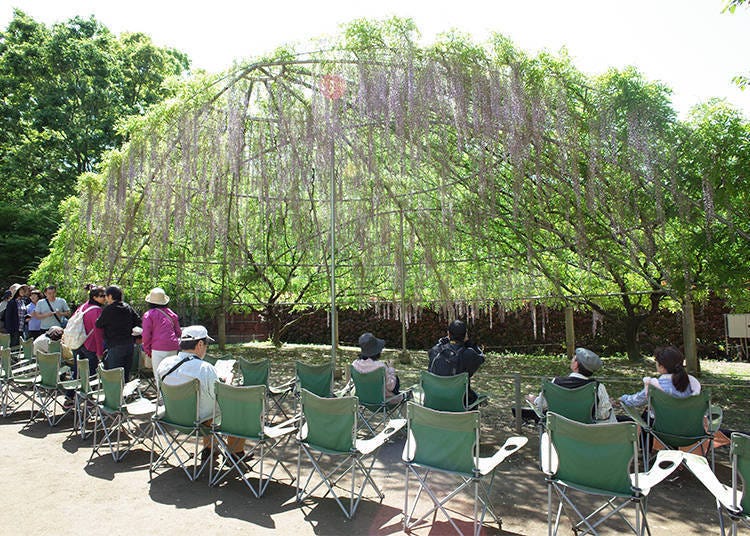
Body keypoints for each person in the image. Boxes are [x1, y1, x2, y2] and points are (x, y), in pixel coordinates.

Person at [156, 325, 244, 460]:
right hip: (197, 421)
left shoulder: (165, 364)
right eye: (206, 345)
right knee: (236, 407)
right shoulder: (204, 368)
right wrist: (227, 382)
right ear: (200, 344)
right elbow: (219, 396)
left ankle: (209, 450)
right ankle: (236, 454)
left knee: (205, 406)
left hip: (173, 417)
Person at [526, 347, 616, 423]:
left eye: (573, 358)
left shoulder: (556, 383)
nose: (571, 360)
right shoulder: (598, 387)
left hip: (559, 432)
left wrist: (534, 400)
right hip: (586, 433)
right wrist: (608, 405)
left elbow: (542, 405)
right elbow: (604, 415)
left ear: (576, 365)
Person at [619, 346, 701, 408]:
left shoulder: (655, 385)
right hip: (688, 426)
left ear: (661, 366)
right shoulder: (692, 383)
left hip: (661, 427)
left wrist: (623, 398)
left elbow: (636, 401)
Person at [427, 319, 485, 405]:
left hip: (434, 402)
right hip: (460, 405)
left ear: (448, 334)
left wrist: (440, 343)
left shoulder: (436, 351)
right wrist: (470, 343)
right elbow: (481, 357)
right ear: (465, 335)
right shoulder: (469, 354)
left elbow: (432, 352)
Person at [95, 285, 141, 381]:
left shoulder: (109, 309)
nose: (106, 298)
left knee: (114, 376)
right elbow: (138, 321)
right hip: (129, 344)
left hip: (115, 346)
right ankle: (124, 395)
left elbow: (98, 324)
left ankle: (115, 395)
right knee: (125, 374)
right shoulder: (127, 307)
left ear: (110, 296)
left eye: (106, 296)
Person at [141, 287, 181, 373]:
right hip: (172, 346)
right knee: (172, 374)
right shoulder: (171, 314)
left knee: (159, 375)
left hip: (157, 348)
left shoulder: (148, 315)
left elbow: (146, 335)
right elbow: (178, 332)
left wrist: (147, 350)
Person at [352, 332, 401, 400]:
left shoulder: (355, 364)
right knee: (405, 395)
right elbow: (391, 387)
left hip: (363, 400)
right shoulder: (380, 367)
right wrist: (391, 368)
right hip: (382, 402)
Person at [71, 285, 107, 377]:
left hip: (78, 343)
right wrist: (99, 352)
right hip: (90, 346)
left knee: (77, 372)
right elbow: (98, 333)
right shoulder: (97, 311)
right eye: (102, 296)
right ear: (94, 297)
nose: (105, 298)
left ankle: (71, 391)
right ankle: (87, 391)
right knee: (91, 375)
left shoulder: (82, 307)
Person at [4, 284, 29, 349]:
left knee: (20, 347)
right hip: (14, 329)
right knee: (13, 347)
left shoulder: (23, 302)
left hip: (22, 328)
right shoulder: (12, 302)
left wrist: (27, 317)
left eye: (23, 289)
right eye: (21, 289)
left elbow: (23, 314)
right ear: (17, 291)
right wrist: (10, 330)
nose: (23, 291)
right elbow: (8, 317)